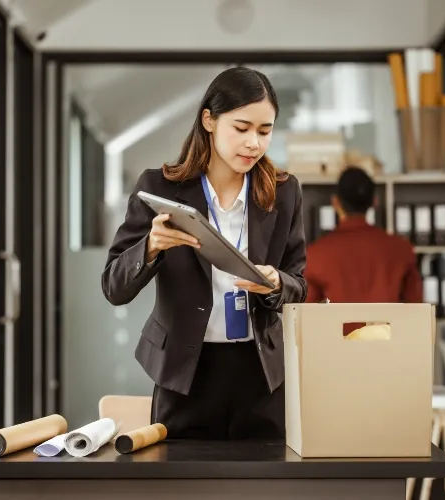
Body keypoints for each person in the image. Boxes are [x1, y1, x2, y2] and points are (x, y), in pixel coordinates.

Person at [101, 67, 307, 440]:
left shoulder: (285, 192)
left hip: (260, 374)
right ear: (209, 120)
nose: (254, 144)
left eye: (265, 131)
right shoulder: (158, 188)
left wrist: (278, 284)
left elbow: (300, 284)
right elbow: (114, 287)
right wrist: (150, 246)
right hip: (185, 374)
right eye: (241, 128)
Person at [304, 167, 423, 317]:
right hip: (389, 338)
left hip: (336, 339)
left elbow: (307, 315)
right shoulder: (401, 249)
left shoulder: (315, 254)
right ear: (374, 202)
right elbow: (417, 310)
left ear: (335, 202)